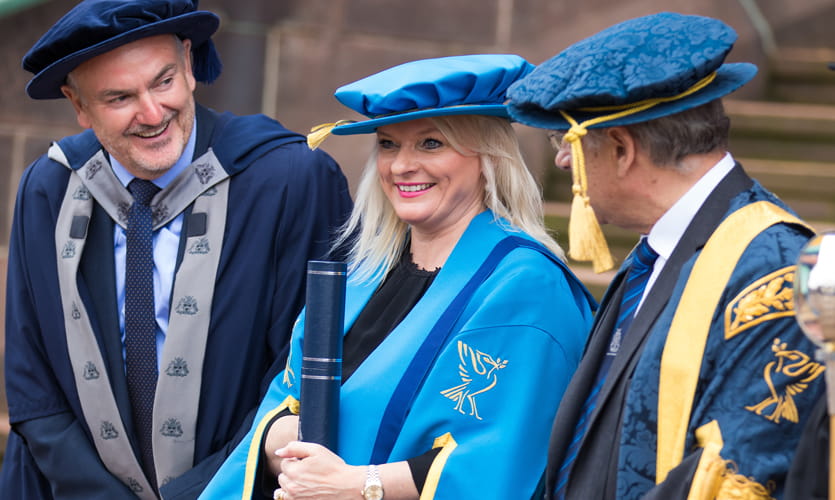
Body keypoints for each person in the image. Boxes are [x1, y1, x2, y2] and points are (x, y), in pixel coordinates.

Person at [198, 53, 596, 500]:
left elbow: (497, 459)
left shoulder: (525, 286)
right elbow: (282, 404)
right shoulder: (363, 273)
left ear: (487, 157)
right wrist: (288, 449)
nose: (401, 165)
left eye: (430, 144)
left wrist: (357, 485)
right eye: (388, 144)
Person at [1, 0, 352, 499]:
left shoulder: (292, 180)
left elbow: (307, 368)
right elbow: (31, 376)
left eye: (163, 82)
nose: (152, 113)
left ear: (189, 65)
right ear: (79, 107)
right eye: (120, 97)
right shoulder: (51, 188)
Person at [505, 12, 824, 500]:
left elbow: (738, 476)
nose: (562, 161)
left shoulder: (772, 270)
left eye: (565, 140)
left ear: (620, 148)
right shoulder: (656, 254)